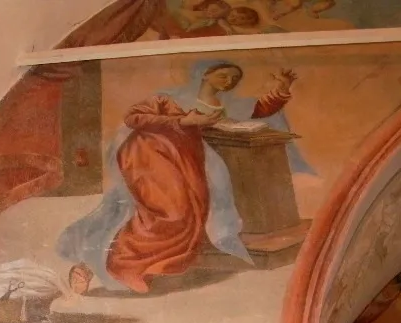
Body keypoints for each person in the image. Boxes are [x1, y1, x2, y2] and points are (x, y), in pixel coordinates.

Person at [58, 60, 311, 295]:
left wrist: (283, 88)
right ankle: (121, 266)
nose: (228, 82)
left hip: (187, 161)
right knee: (167, 212)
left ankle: (140, 267)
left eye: (234, 79)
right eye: (223, 75)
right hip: (150, 155)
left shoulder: (228, 105)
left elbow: (260, 109)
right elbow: (133, 117)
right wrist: (183, 120)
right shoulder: (174, 97)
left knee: (188, 214)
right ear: (205, 74)